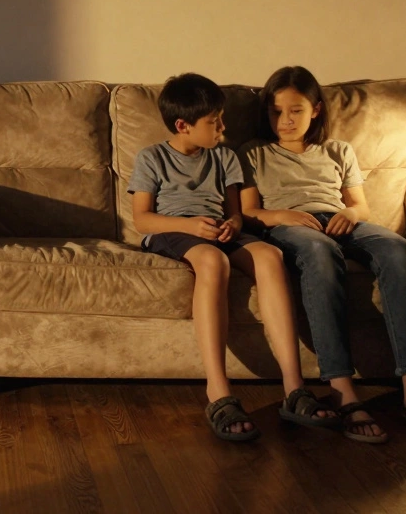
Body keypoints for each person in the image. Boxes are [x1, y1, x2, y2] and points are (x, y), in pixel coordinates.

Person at [239, 65, 406, 443]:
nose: (285, 120)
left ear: (316, 110)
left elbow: (360, 207)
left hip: (340, 220)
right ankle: (343, 390)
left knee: (398, 250)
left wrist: (349, 215)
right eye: (276, 112)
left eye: (296, 111)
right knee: (321, 255)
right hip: (289, 226)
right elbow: (248, 212)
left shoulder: (337, 150)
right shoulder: (254, 153)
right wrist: (280, 215)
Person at [129, 72, 339, 442]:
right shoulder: (152, 157)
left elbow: (237, 211)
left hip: (220, 230)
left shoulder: (224, 156)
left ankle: (293, 387)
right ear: (183, 125)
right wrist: (190, 226)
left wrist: (232, 223)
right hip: (173, 232)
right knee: (213, 261)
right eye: (214, 122)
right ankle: (218, 390)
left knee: (270, 256)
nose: (223, 128)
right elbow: (142, 219)